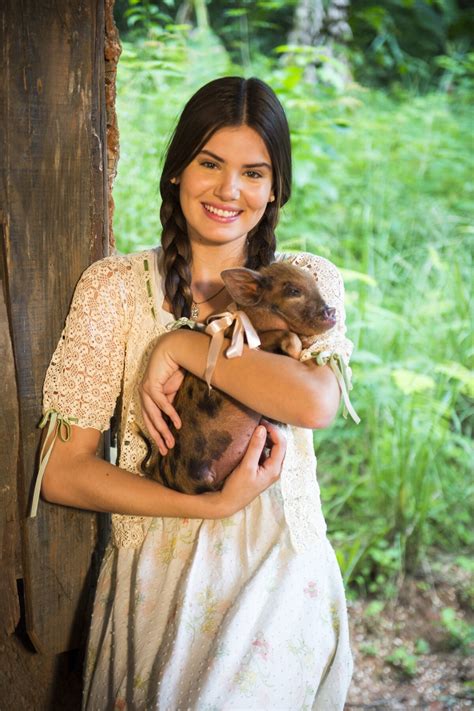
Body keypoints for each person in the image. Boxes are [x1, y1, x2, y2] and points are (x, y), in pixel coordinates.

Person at [35, 76, 354, 709]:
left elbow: (316, 402)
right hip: (157, 576)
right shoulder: (115, 290)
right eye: (210, 163)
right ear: (177, 169)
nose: (229, 190)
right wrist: (208, 508)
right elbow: (63, 474)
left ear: (275, 187)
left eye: (254, 172)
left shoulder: (306, 281)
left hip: (278, 573)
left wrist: (180, 347)